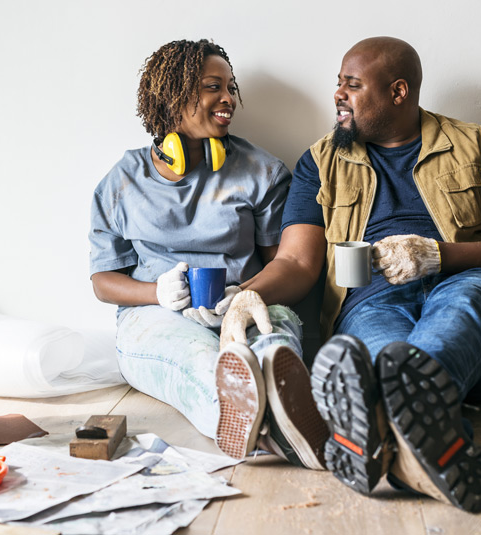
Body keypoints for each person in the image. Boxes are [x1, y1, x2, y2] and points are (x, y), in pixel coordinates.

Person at [221, 36, 481, 513]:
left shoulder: (480, 145)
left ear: (398, 92)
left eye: (353, 85)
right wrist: (244, 296)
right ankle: (422, 441)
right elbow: (296, 262)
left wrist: (440, 256)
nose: (338, 94)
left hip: (472, 287)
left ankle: (376, 424)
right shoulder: (320, 163)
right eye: (338, 83)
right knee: (376, 353)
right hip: (371, 302)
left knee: (459, 309)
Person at [88, 39, 329, 468]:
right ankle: (258, 423)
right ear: (172, 95)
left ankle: (277, 409)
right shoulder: (122, 181)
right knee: (199, 360)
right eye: (212, 87)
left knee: (271, 343)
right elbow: (103, 282)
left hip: (248, 300)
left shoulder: (262, 170)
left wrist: (245, 297)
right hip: (155, 319)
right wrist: (156, 294)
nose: (228, 99)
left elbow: (286, 263)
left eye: (230, 87)